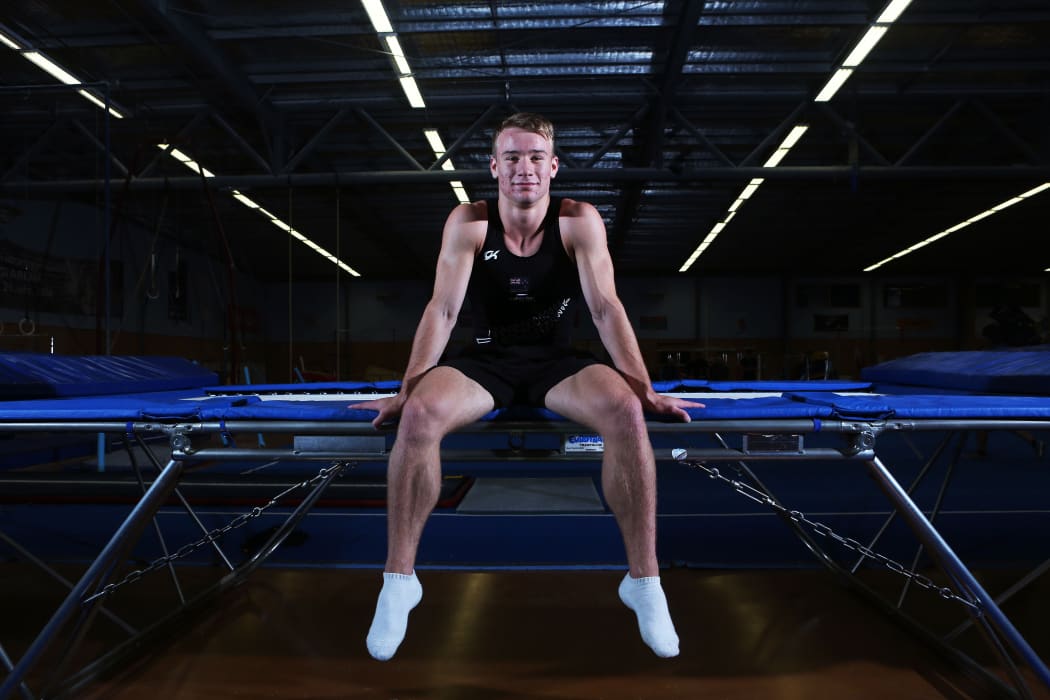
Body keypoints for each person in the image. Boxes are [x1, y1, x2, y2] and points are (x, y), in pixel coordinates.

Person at [350, 112, 703, 662]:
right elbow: (443, 310)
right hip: (486, 362)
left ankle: (644, 580)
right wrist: (406, 391)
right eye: (511, 158)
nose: (524, 169)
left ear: (553, 167)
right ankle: (400, 580)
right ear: (494, 167)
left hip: (557, 362)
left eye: (535, 158)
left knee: (627, 414)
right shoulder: (468, 221)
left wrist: (645, 390)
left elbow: (606, 309)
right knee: (419, 416)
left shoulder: (578, 221)